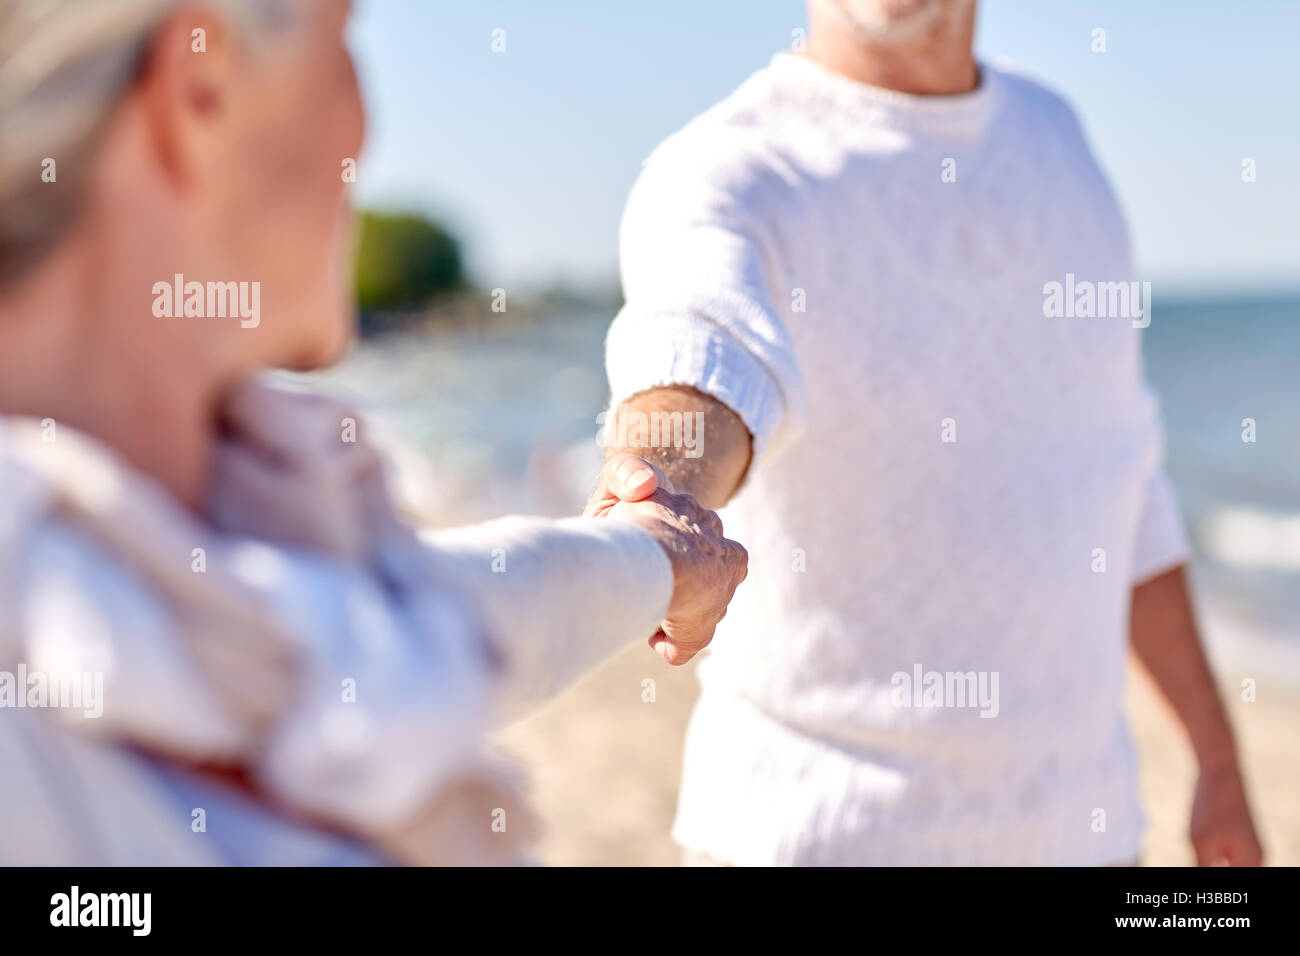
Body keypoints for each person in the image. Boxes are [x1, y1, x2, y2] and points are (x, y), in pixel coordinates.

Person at [0, 0, 746, 865]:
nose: (370, 122)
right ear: (199, 91)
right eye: (344, 37)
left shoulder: (237, 544)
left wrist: (654, 553)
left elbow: (443, 612)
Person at [601, 0, 1263, 865]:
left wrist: (1217, 762)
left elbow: (1125, 482)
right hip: (810, 838)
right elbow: (702, 354)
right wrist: (662, 491)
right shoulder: (723, 169)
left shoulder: (1059, 143)